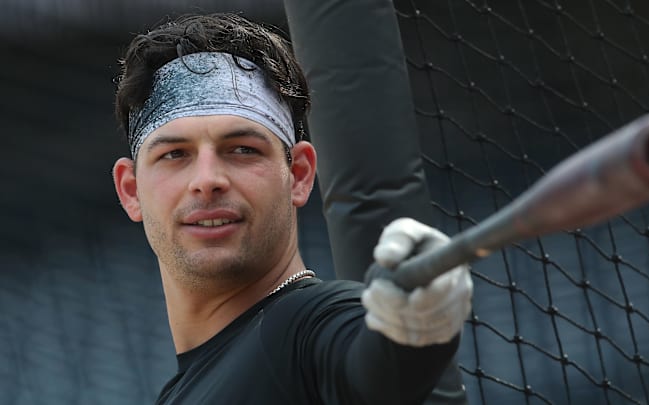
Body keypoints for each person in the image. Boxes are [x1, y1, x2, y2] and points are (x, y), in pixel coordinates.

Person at [111, 13, 473, 404]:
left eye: (243, 149)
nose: (208, 178)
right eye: (175, 154)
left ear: (299, 175)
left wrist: (411, 330)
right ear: (130, 190)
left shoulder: (311, 324)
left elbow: (375, 365)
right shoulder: (179, 392)